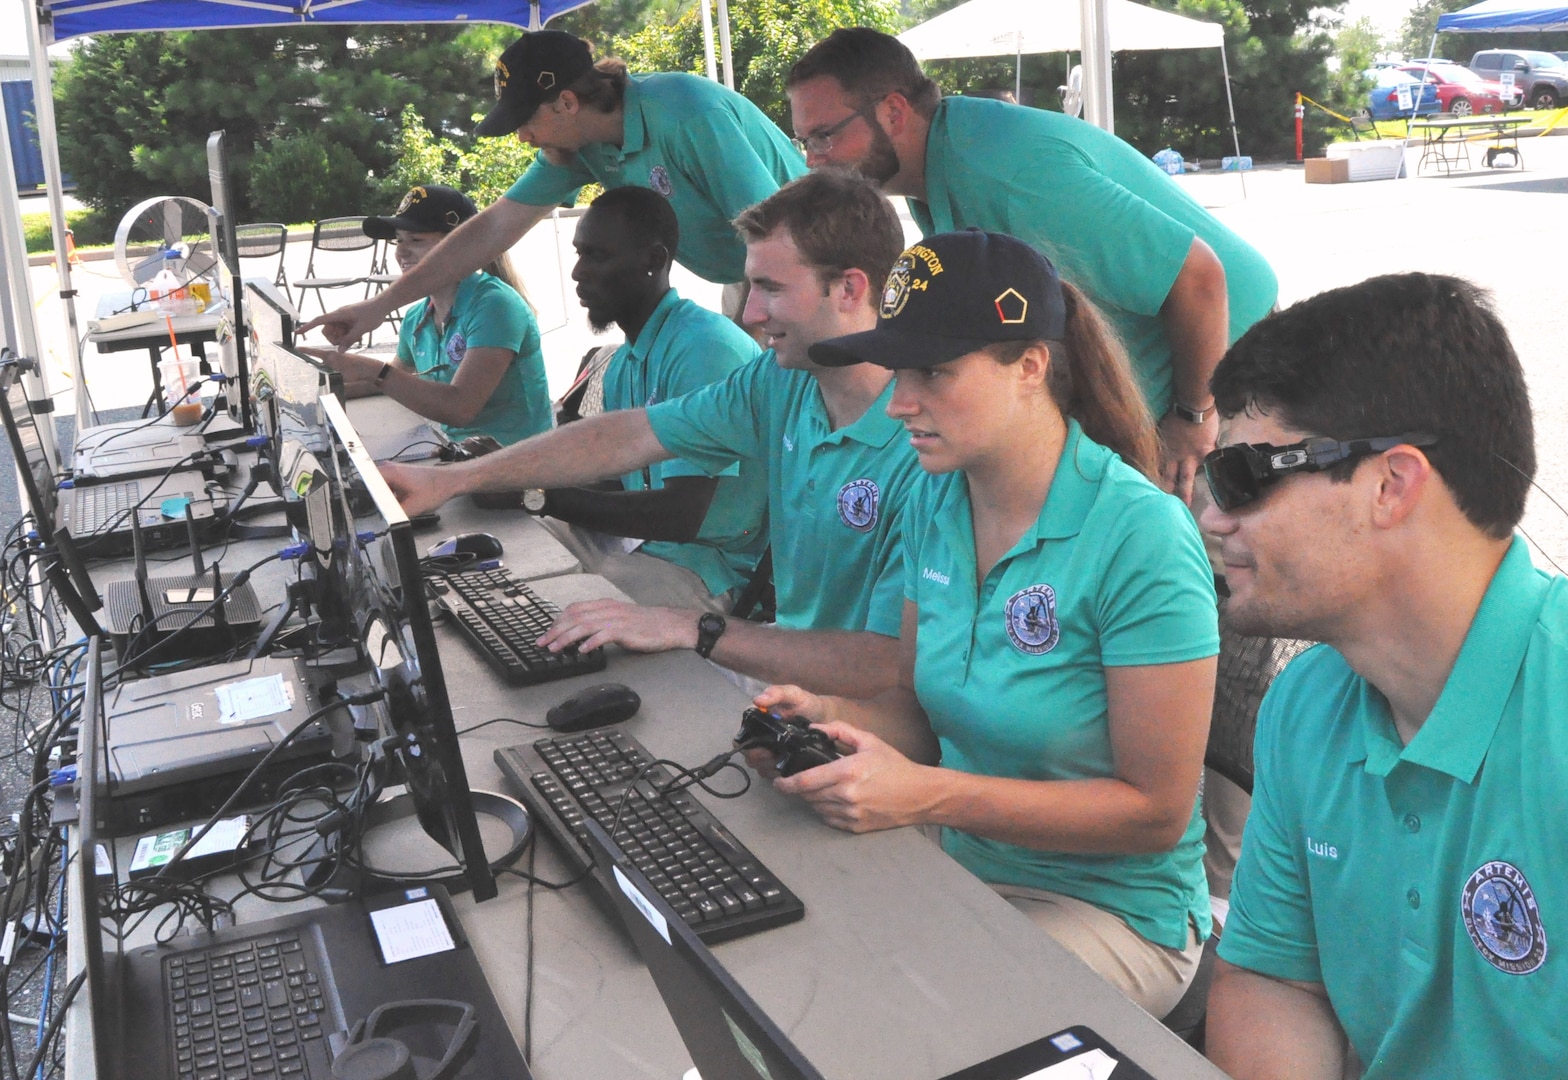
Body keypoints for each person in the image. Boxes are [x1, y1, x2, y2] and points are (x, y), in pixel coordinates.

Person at [1200, 273, 1568, 1079]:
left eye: (1242, 475)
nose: (1212, 513)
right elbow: (1274, 973)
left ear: (1392, 483)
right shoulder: (1306, 707)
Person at [753, 230, 1220, 1016]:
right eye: (899, 370)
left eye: (933, 371)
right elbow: (914, 707)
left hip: (1110, 909)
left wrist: (926, 797)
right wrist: (829, 719)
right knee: (780, 958)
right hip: (963, 859)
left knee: (901, 1022)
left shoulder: (1140, 535)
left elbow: (1156, 811)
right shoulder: (935, 497)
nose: (901, 400)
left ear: (1030, 366)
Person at [377, 171, 923, 699]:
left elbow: (888, 665)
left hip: (853, 716)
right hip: (795, 677)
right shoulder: (782, 380)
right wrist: (452, 479)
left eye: (770, 288)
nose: (752, 313)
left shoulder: (925, 442)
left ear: (850, 288)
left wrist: (697, 629)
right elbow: (632, 435)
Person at [784, 26, 1278, 505]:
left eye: (823, 136)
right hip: (1161, 383)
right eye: (804, 141)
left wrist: (1195, 418)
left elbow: (1199, 278)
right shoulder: (938, 166)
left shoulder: (1007, 175)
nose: (812, 159)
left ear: (893, 110)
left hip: (1226, 366)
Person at [301, 29, 805, 349]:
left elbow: (779, 235)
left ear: (566, 102)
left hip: (805, 264)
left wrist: (750, 335)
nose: (521, 137)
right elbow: (491, 230)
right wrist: (376, 308)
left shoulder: (687, 110)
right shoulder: (578, 147)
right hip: (748, 277)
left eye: (525, 121)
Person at [527, 185, 769, 613]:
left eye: (597, 256)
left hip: (715, 569)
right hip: (653, 548)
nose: (578, 273)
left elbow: (679, 515)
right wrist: (513, 482)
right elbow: (620, 482)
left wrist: (542, 495)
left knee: (583, 602)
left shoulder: (703, 349)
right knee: (528, 543)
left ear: (653, 261)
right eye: (579, 253)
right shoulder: (626, 360)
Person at [307, 184, 551, 448]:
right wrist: (319, 388)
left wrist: (371, 370)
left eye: (417, 240)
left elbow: (460, 407)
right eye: (399, 240)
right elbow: (391, 380)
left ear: (459, 245)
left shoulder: (494, 305)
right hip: (460, 451)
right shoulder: (418, 315)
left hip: (518, 464)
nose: (402, 251)